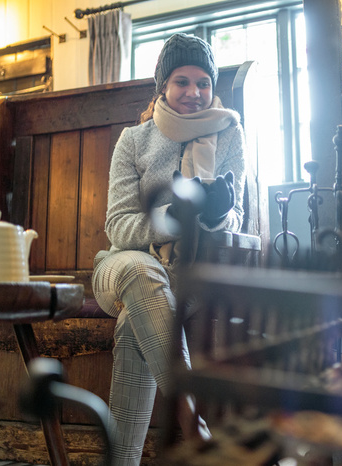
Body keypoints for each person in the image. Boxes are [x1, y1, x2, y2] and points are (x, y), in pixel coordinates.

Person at [91, 33, 246, 465]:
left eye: (203, 83)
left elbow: (236, 224)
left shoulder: (230, 134)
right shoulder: (133, 140)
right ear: (163, 85)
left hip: (191, 273)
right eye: (182, 81)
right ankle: (197, 429)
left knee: (133, 323)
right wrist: (169, 220)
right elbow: (118, 225)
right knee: (141, 275)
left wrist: (217, 214)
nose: (194, 93)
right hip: (120, 265)